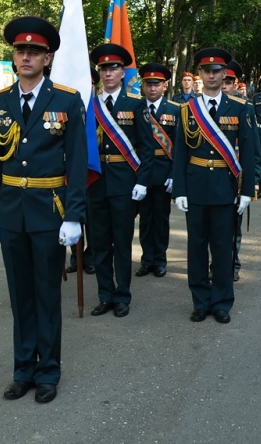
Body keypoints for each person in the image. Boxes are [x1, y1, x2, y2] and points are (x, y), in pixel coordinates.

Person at [0, 16, 87, 404]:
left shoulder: (67, 99)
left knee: (45, 294)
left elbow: (76, 162)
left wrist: (74, 215)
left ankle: (48, 372)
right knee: (19, 295)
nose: (26, 57)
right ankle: (22, 369)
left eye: (35, 52)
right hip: (10, 212)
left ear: (48, 58)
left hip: (49, 211)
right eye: (21, 51)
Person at [173, 47, 255, 324]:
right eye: (206, 71)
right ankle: (200, 300)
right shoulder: (187, 110)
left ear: (224, 74)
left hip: (225, 187)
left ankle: (221, 301)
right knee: (196, 247)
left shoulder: (241, 108)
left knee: (223, 248)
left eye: (217, 71)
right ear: (200, 74)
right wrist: (180, 190)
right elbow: (181, 152)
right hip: (195, 186)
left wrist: (247, 192)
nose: (211, 75)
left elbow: (249, 151)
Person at [88, 43, 155, 318]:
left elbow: (148, 147)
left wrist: (142, 181)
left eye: (113, 67)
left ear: (122, 72)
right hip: (95, 182)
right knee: (100, 242)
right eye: (103, 68)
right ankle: (105, 295)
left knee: (122, 241)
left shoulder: (135, 105)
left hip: (125, 183)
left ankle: (122, 295)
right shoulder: (88, 105)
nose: (108, 73)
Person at [135, 63, 178, 278]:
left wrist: (173, 175)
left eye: (157, 84)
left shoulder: (175, 109)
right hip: (141, 172)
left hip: (163, 171)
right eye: (148, 84)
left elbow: (179, 146)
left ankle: (160, 259)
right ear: (143, 85)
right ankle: (146, 259)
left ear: (165, 85)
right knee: (145, 218)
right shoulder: (135, 108)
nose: (152, 88)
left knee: (161, 219)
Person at [223, 60, 260, 282]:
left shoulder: (244, 108)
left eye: (229, 81)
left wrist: (253, 180)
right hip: (214, 176)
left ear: (235, 83)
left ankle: (233, 264)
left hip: (236, 176)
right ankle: (215, 263)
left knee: (233, 226)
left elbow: (253, 149)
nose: (225, 86)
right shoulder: (203, 107)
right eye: (223, 81)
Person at [66, 68, 100, 275]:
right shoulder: (70, 106)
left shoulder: (100, 109)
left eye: (91, 84)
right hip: (71, 171)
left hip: (94, 172)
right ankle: (75, 256)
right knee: (72, 213)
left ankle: (91, 256)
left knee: (93, 220)